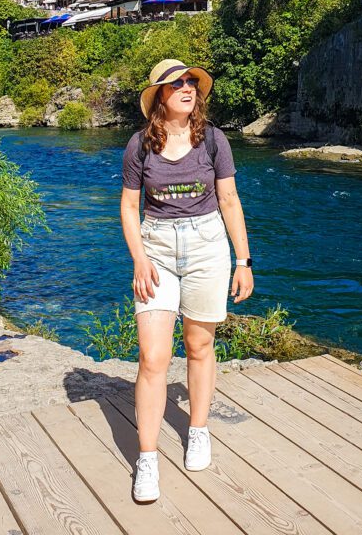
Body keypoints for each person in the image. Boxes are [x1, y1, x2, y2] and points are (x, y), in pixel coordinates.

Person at [120, 59, 254, 504]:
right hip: (156, 249)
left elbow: (230, 199)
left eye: (191, 82)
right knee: (152, 356)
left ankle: (198, 432)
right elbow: (129, 207)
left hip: (207, 245)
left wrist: (243, 260)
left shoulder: (213, 140)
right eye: (176, 83)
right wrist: (139, 259)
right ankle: (148, 459)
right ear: (159, 94)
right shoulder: (139, 146)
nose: (186, 88)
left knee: (198, 346)